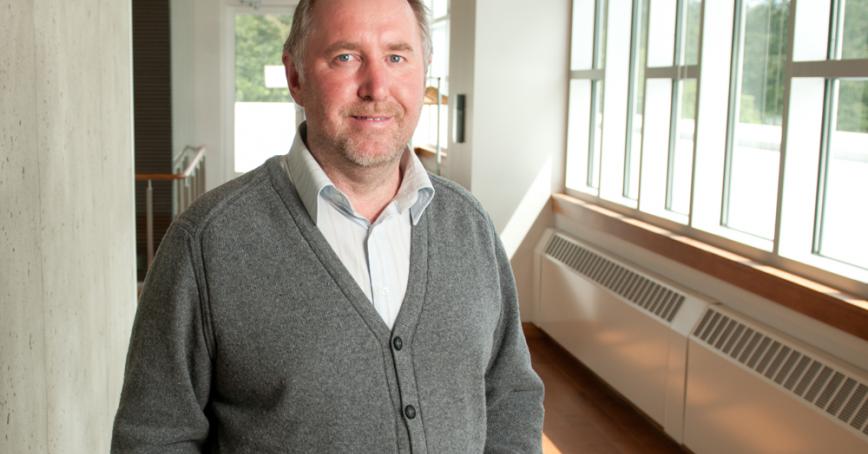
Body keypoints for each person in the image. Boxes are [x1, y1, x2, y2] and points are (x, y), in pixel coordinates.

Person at [111, 0, 544, 451]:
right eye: (346, 57)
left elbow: (511, 395)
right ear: (295, 76)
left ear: (424, 70)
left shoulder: (470, 227)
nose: (376, 87)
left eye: (396, 57)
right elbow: (154, 438)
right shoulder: (205, 245)